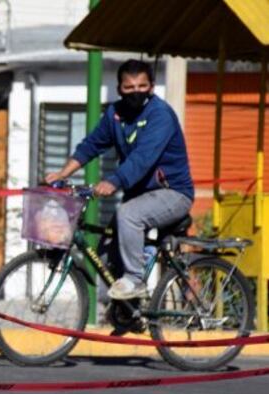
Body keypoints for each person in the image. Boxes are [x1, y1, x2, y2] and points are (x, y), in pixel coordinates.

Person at [44, 59, 195, 299]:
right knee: (106, 255)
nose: (136, 92)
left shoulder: (161, 115)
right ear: (119, 89)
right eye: (129, 88)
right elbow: (91, 145)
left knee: (128, 215)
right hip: (139, 195)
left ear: (152, 87)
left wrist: (114, 181)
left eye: (142, 86)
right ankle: (130, 315)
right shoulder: (115, 114)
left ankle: (136, 281)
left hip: (173, 193)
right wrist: (63, 173)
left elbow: (143, 159)